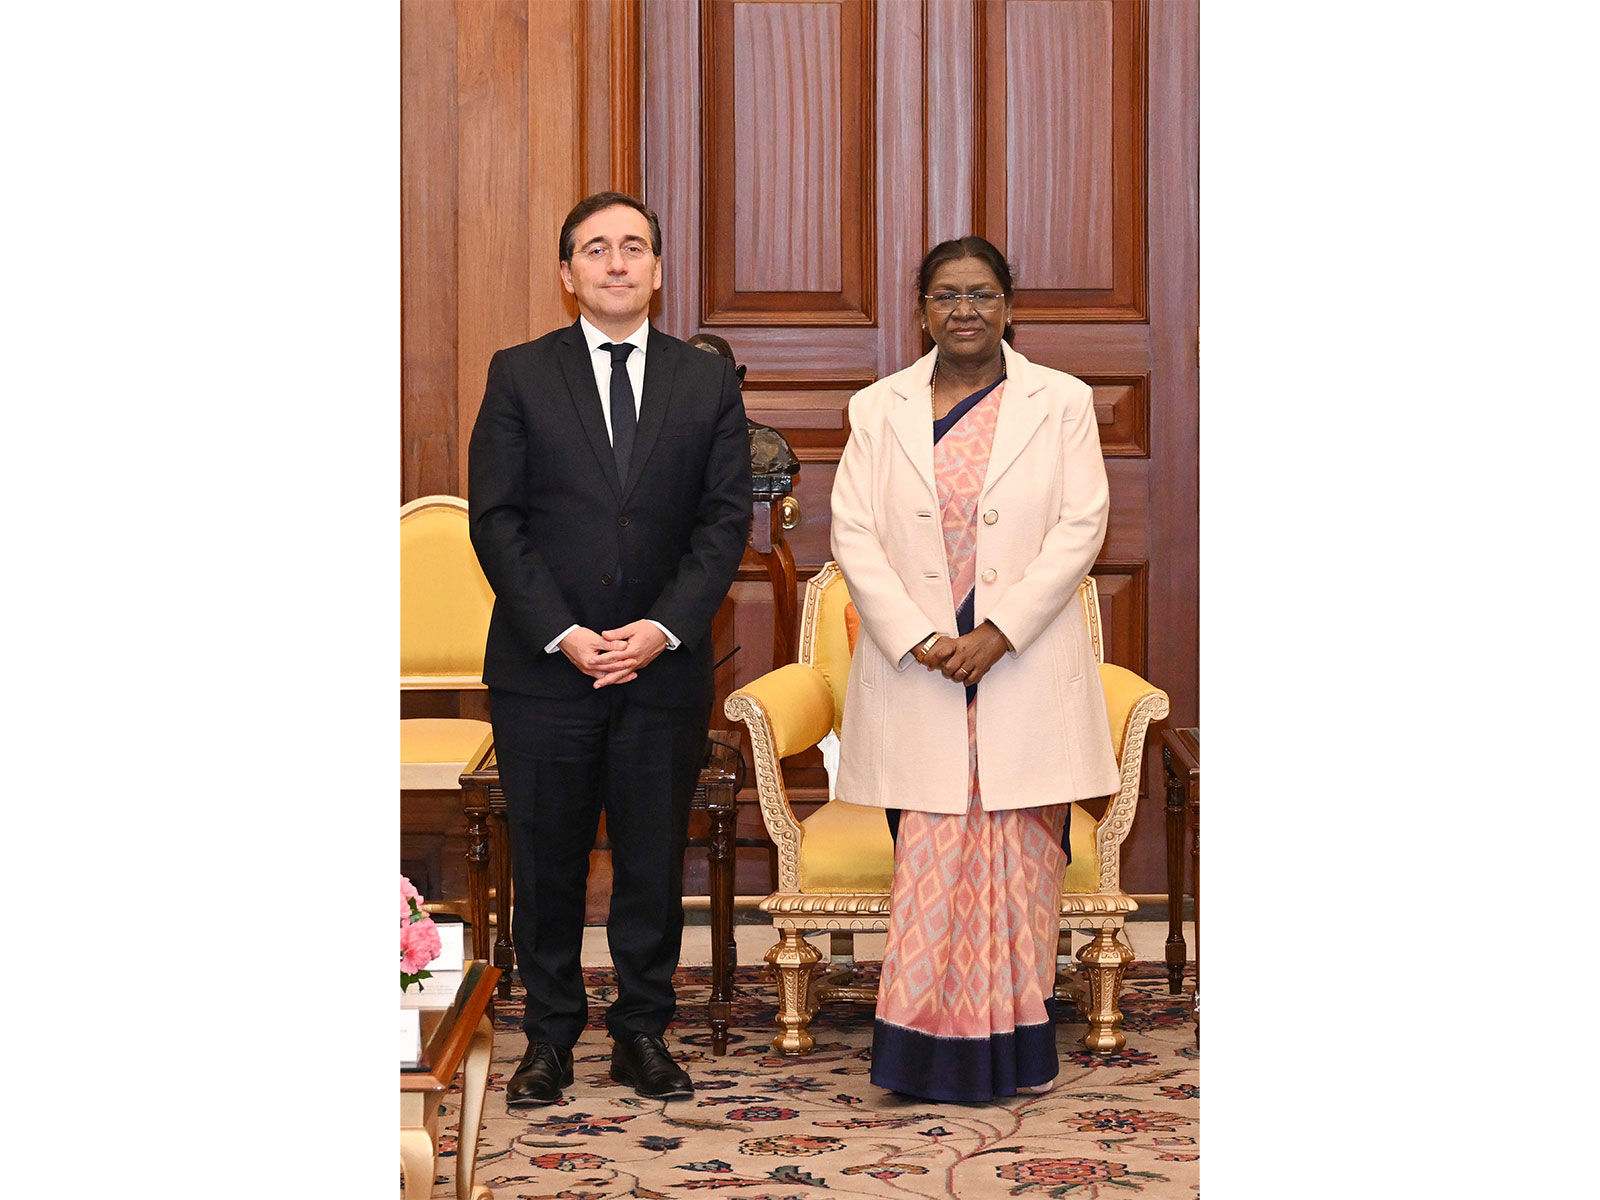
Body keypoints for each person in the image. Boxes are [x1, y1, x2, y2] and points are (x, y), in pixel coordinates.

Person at [468, 191, 752, 1107]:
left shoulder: (704, 381)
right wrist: (565, 632)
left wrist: (661, 630)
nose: (618, 263)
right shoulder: (517, 374)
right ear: (568, 275)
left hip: (660, 669)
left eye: (635, 247)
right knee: (547, 862)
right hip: (544, 669)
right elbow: (497, 520)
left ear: (659, 271)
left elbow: (723, 521)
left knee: (648, 858)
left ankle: (641, 1032)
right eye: (598, 249)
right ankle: (547, 1040)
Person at [829, 236, 1120, 1102]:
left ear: (1009, 305)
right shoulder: (877, 408)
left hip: (1021, 667)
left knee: (1024, 867)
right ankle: (923, 1052)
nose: (966, 311)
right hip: (919, 670)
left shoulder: (1059, 402)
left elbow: (1082, 525)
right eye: (948, 295)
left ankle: (1015, 1050)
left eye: (983, 295)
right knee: (928, 859)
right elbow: (853, 531)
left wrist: (999, 630)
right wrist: (921, 635)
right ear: (921, 309)